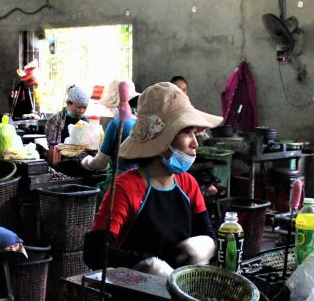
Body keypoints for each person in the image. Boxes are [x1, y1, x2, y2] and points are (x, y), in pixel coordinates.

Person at [83, 82, 221, 277]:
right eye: (186, 132)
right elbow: (95, 251)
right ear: (162, 139)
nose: (195, 143)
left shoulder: (188, 184)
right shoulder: (128, 187)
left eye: (194, 133)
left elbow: (206, 232)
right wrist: (146, 265)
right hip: (134, 296)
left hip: (179, 293)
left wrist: (206, 244)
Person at [81, 80, 140, 202]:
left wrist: (85, 161)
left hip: (118, 183)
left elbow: (99, 163)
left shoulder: (117, 125)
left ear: (115, 104)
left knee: (92, 196)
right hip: (139, 184)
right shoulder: (141, 123)